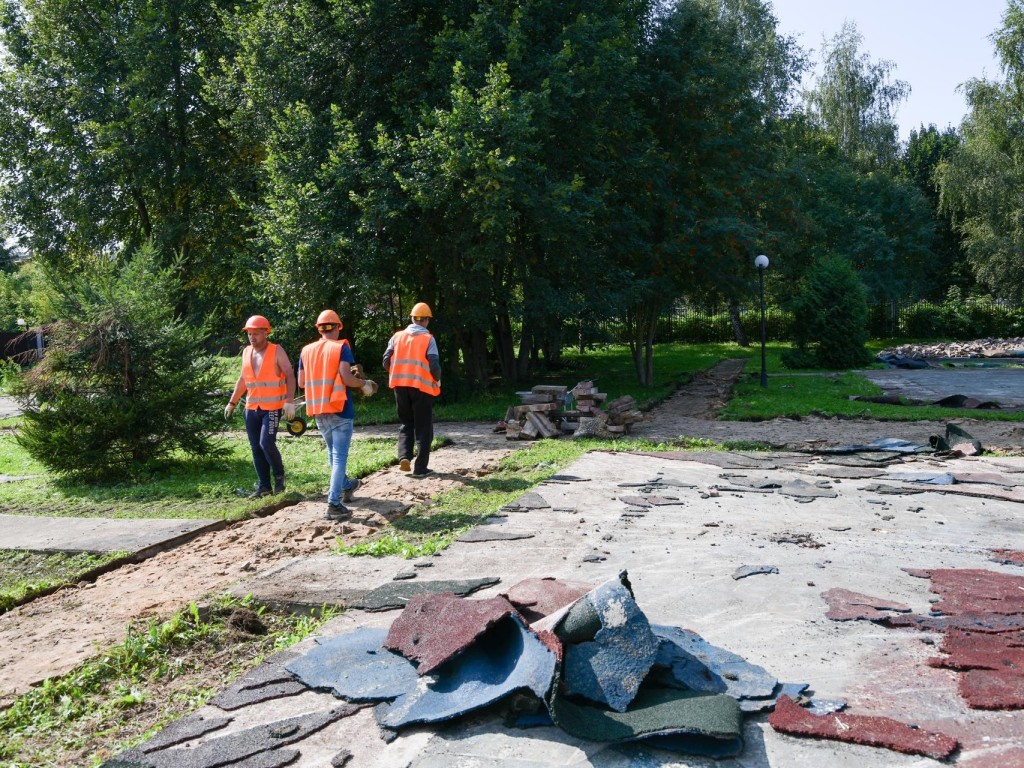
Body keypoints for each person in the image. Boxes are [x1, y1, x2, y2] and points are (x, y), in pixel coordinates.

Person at [299, 309, 376, 520]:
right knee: (339, 457)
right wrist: (364, 384)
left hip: (318, 410)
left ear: (319, 328)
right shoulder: (341, 347)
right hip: (340, 409)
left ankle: (347, 485)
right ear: (338, 327)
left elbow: (302, 383)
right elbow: (346, 378)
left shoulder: (306, 351)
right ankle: (333, 503)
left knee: (333, 454)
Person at [224, 315, 297, 498]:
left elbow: (289, 374)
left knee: (266, 443)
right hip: (251, 408)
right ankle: (264, 487)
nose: (252, 337)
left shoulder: (276, 350)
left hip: (272, 408)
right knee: (256, 447)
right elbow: (243, 379)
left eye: (256, 333)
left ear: (266, 333)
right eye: (249, 333)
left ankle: (279, 477)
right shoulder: (247, 352)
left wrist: (289, 401)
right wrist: (232, 402)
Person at [383, 302, 441, 477]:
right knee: (423, 427)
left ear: (412, 318)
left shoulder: (397, 337)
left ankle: (404, 457)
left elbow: (386, 361)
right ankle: (420, 468)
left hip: (399, 387)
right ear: (426, 320)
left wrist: (399, 372)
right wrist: (436, 380)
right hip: (421, 387)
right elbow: (434, 365)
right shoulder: (428, 339)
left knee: (406, 423)